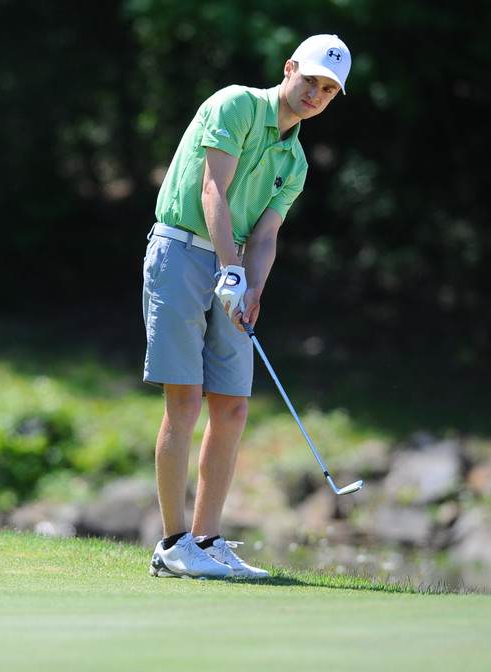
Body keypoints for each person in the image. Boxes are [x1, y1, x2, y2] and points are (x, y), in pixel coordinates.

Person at [142, 34, 351, 579]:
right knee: (184, 403)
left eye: (328, 90)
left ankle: (208, 541)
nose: (316, 94)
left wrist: (252, 286)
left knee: (232, 406)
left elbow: (266, 235)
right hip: (183, 252)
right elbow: (214, 190)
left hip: (233, 270)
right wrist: (229, 267)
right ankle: (171, 544)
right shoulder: (235, 103)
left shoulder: (297, 161)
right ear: (289, 69)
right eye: (310, 81)